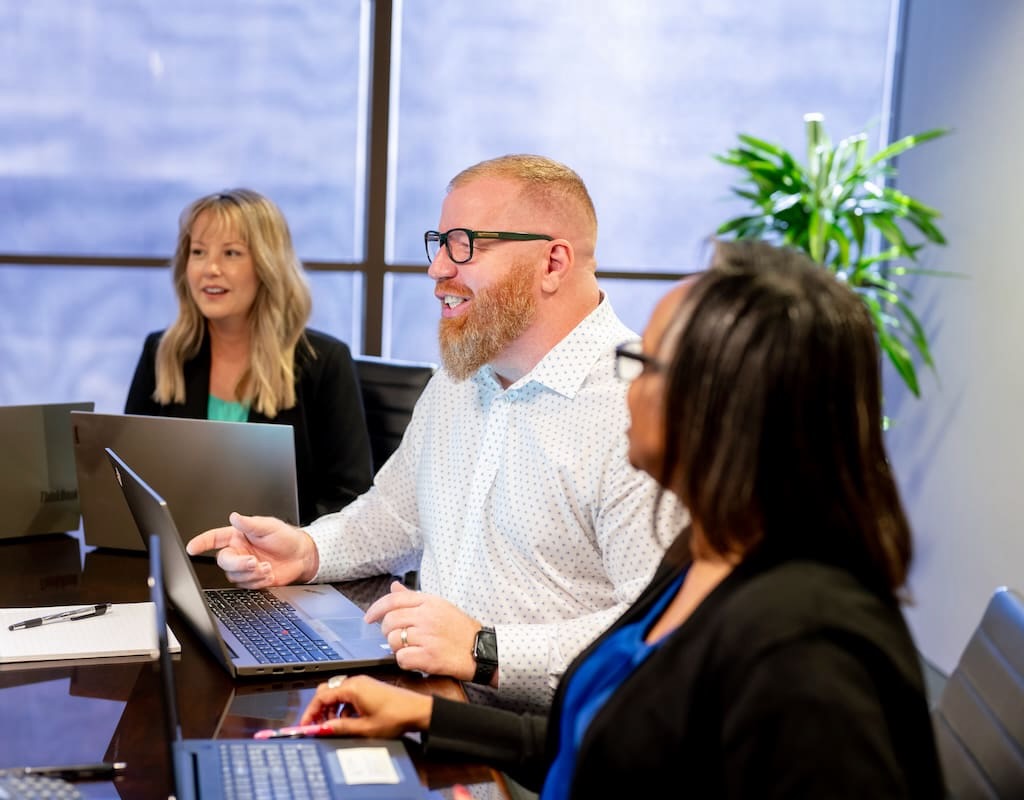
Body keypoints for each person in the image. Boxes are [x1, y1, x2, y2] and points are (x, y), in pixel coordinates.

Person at [294, 239, 945, 799]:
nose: (626, 384)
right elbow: (604, 736)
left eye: (644, 363)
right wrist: (424, 716)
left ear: (727, 408)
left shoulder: (809, 651)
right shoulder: (701, 554)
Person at [186, 155, 685, 713]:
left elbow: (661, 635)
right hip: (427, 699)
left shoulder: (639, 408)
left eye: (466, 244)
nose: (437, 269)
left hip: (544, 747)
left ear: (553, 262)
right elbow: (395, 514)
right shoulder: (461, 376)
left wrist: (484, 650)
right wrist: (306, 551)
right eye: (440, 242)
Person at [125, 188, 372, 524]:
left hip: (283, 567)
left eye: (231, 253)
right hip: (182, 555)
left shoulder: (325, 362)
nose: (210, 268)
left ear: (267, 266)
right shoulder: (163, 352)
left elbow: (349, 501)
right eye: (198, 252)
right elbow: (129, 484)